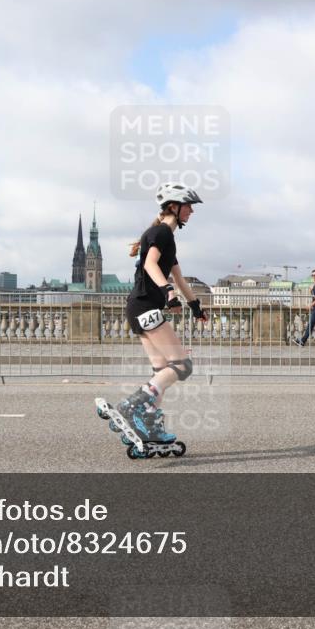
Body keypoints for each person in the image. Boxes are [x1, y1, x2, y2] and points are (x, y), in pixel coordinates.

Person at [118, 183, 209, 443]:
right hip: (146, 304)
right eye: (188, 205)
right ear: (174, 207)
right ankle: (131, 404)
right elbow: (150, 264)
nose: (191, 211)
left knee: (161, 370)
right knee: (182, 365)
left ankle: (148, 424)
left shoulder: (166, 236)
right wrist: (168, 293)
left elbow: (179, 278)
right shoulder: (161, 232)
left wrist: (195, 307)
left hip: (139, 306)